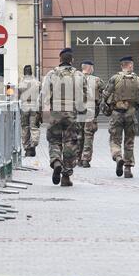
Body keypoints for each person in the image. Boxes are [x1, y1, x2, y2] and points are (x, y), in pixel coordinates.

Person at [41, 48, 87, 187]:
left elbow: (43, 94)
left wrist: (39, 113)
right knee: (70, 142)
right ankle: (66, 176)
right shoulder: (79, 75)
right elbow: (86, 96)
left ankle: (56, 162)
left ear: (60, 59)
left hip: (55, 113)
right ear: (72, 60)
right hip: (71, 114)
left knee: (54, 139)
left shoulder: (51, 74)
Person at [102, 56, 139, 178]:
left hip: (116, 114)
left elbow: (105, 94)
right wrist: (136, 101)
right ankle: (128, 169)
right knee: (129, 142)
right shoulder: (138, 80)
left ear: (121, 65)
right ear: (130, 65)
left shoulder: (114, 78)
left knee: (115, 139)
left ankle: (118, 157)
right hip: (131, 114)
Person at [77, 60, 105, 168]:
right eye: (92, 67)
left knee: (79, 135)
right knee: (88, 135)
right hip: (91, 110)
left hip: (78, 110)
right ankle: (85, 159)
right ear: (89, 68)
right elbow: (106, 92)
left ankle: (77, 158)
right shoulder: (97, 80)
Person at [18, 65, 41, 157]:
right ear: (31, 72)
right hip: (34, 106)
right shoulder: (37, 82)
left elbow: (17, 95)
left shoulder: (21, 83)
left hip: (24, 106)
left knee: (25, 127)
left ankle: (27, 148)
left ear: (24, 72)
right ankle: (33, 144)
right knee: (34, 127)